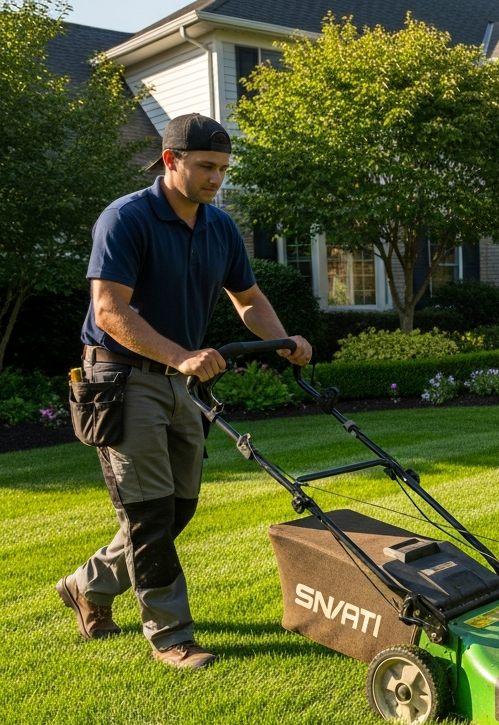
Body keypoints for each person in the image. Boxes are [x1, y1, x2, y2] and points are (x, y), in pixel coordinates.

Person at [57, 113, 312, 670]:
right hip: (121, 379)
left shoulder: (218, 227)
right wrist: (180, 355)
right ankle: (171, 634)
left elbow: (247, 298)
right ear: (171, 161)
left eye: (222, 169)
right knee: (149, 513)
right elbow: (110, 310)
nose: (216, 179)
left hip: (182, 380)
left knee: (179, 507)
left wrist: (283, 339)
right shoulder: (127, 218)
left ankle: (88, 585)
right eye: (205, 167)